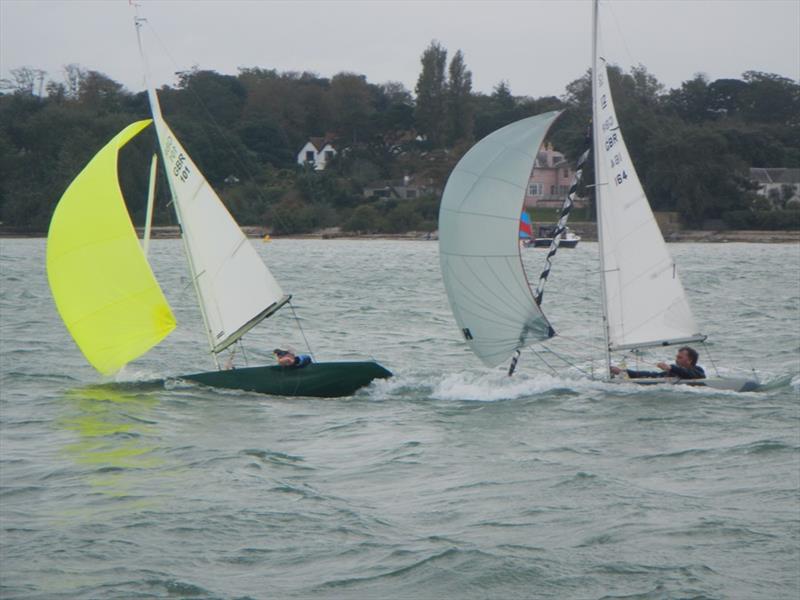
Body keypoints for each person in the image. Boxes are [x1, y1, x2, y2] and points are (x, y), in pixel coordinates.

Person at [610, 346, 706, 380]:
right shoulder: (672, 373)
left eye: (680, 357)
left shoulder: (698, 370)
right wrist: (623, 371)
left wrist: (671, 368)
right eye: (676, 357)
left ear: (689, 360)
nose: (676, 359)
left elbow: (692, 375)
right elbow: (651, 375)